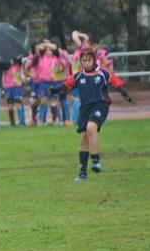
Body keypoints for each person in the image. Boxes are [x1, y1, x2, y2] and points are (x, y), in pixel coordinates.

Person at [52, 48, 134, 181]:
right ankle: (82, 173)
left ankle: (96, 161)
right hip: (85, 109)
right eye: (84, 60)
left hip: (100, 106)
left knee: (91, 128)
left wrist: (125, 94)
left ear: (94, 60)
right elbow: (66, 85)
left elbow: (116, 83)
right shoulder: (78, 76)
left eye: (89, 60)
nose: (86, 63)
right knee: (83, 137)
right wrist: (54, 90)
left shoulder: (103, 73)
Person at [3, 56, 26, 127]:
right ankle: (12, 122)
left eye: (12, 60)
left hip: (17, 87)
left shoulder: (19, 66)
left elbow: (23, 75)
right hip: (8, 88)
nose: (11, 61)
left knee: (18, 103)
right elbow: (3, 76)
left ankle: (22, 122)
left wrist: (23, 80)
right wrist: (4, 86)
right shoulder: (6, 67)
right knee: (10, 105)